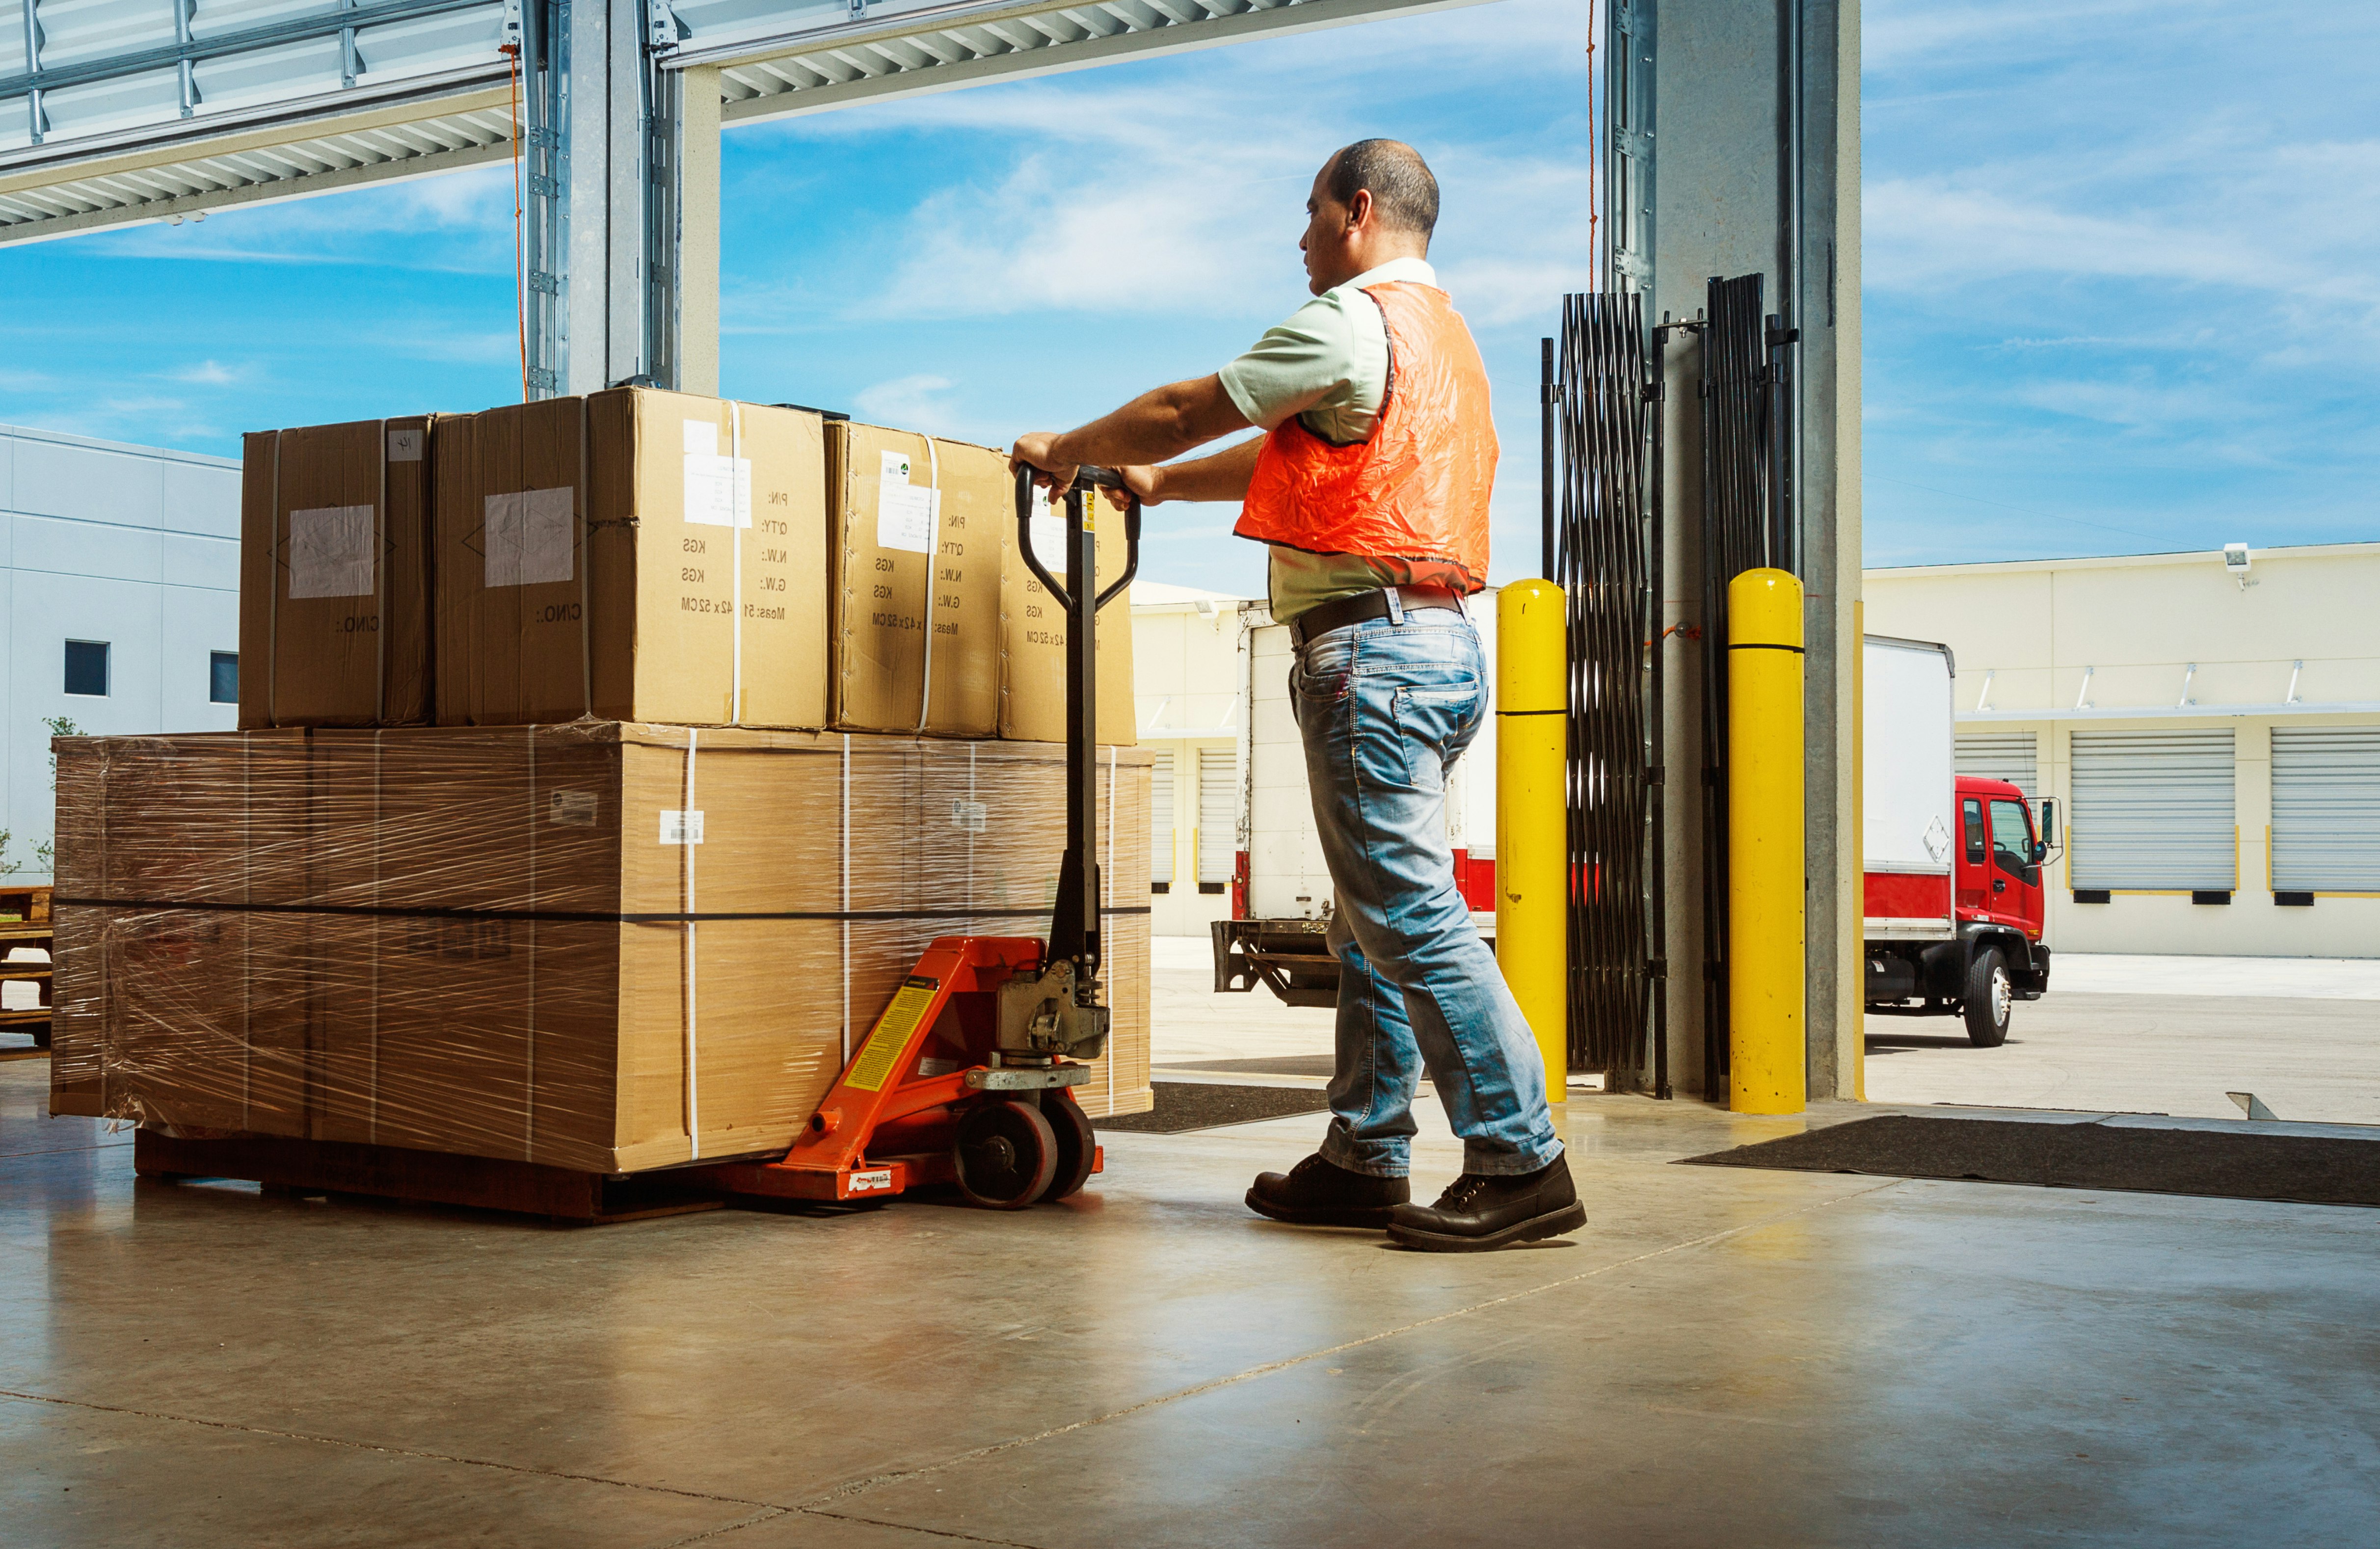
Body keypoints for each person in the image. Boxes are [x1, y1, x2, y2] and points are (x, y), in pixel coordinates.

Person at [1011, 139, 1579, 1252]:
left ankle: (1522, 1157)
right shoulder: (1441, 341)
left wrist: (1069, 448)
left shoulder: (1348, 320)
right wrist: (1162, 487)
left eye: (1311, 218)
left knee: (1408, 917)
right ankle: (1364, 1156)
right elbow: (1283, 451)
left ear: (1357, 211)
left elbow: (1188, 407)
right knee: (1374, 921)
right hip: (1440, 642)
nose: (1301, 242)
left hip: (1372, 653)